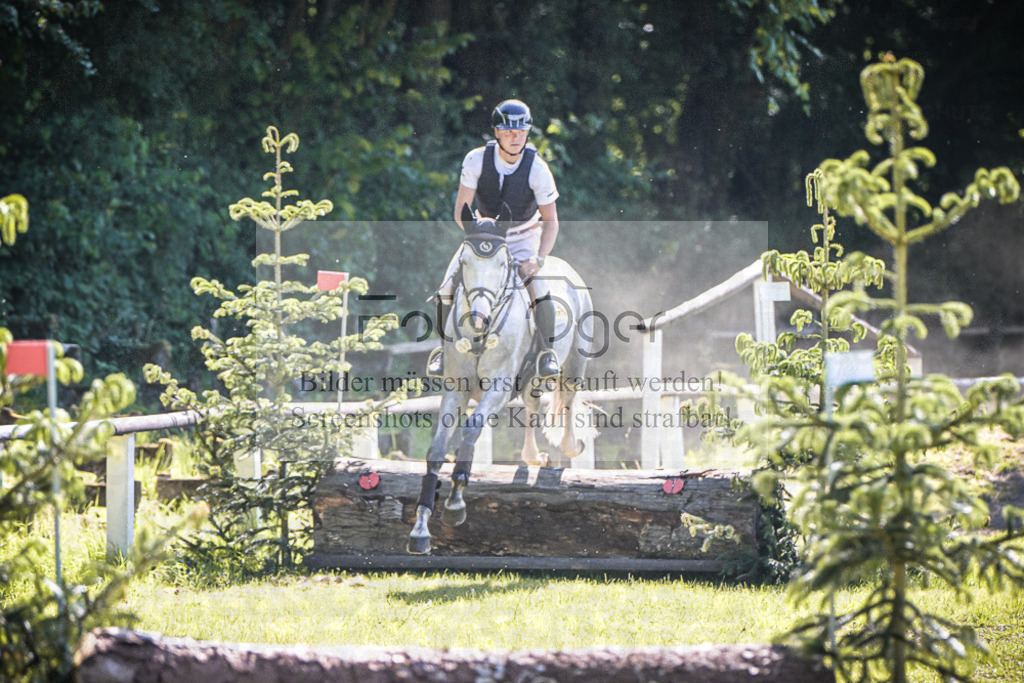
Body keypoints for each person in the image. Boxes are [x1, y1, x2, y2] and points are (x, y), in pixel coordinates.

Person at [427, 98, 562, 380]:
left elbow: (551, 223)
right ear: (497, 132)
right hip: (483, 234)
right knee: (445, 288)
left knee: (539, 290)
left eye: (521, 132)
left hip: (523, 236)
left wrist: (538, 259)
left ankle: (547, 353)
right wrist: (478, 235)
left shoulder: (538, 169)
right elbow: (459, 211)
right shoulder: (475, 160)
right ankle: (442, 351)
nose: (516, 138)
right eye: (510, 132)